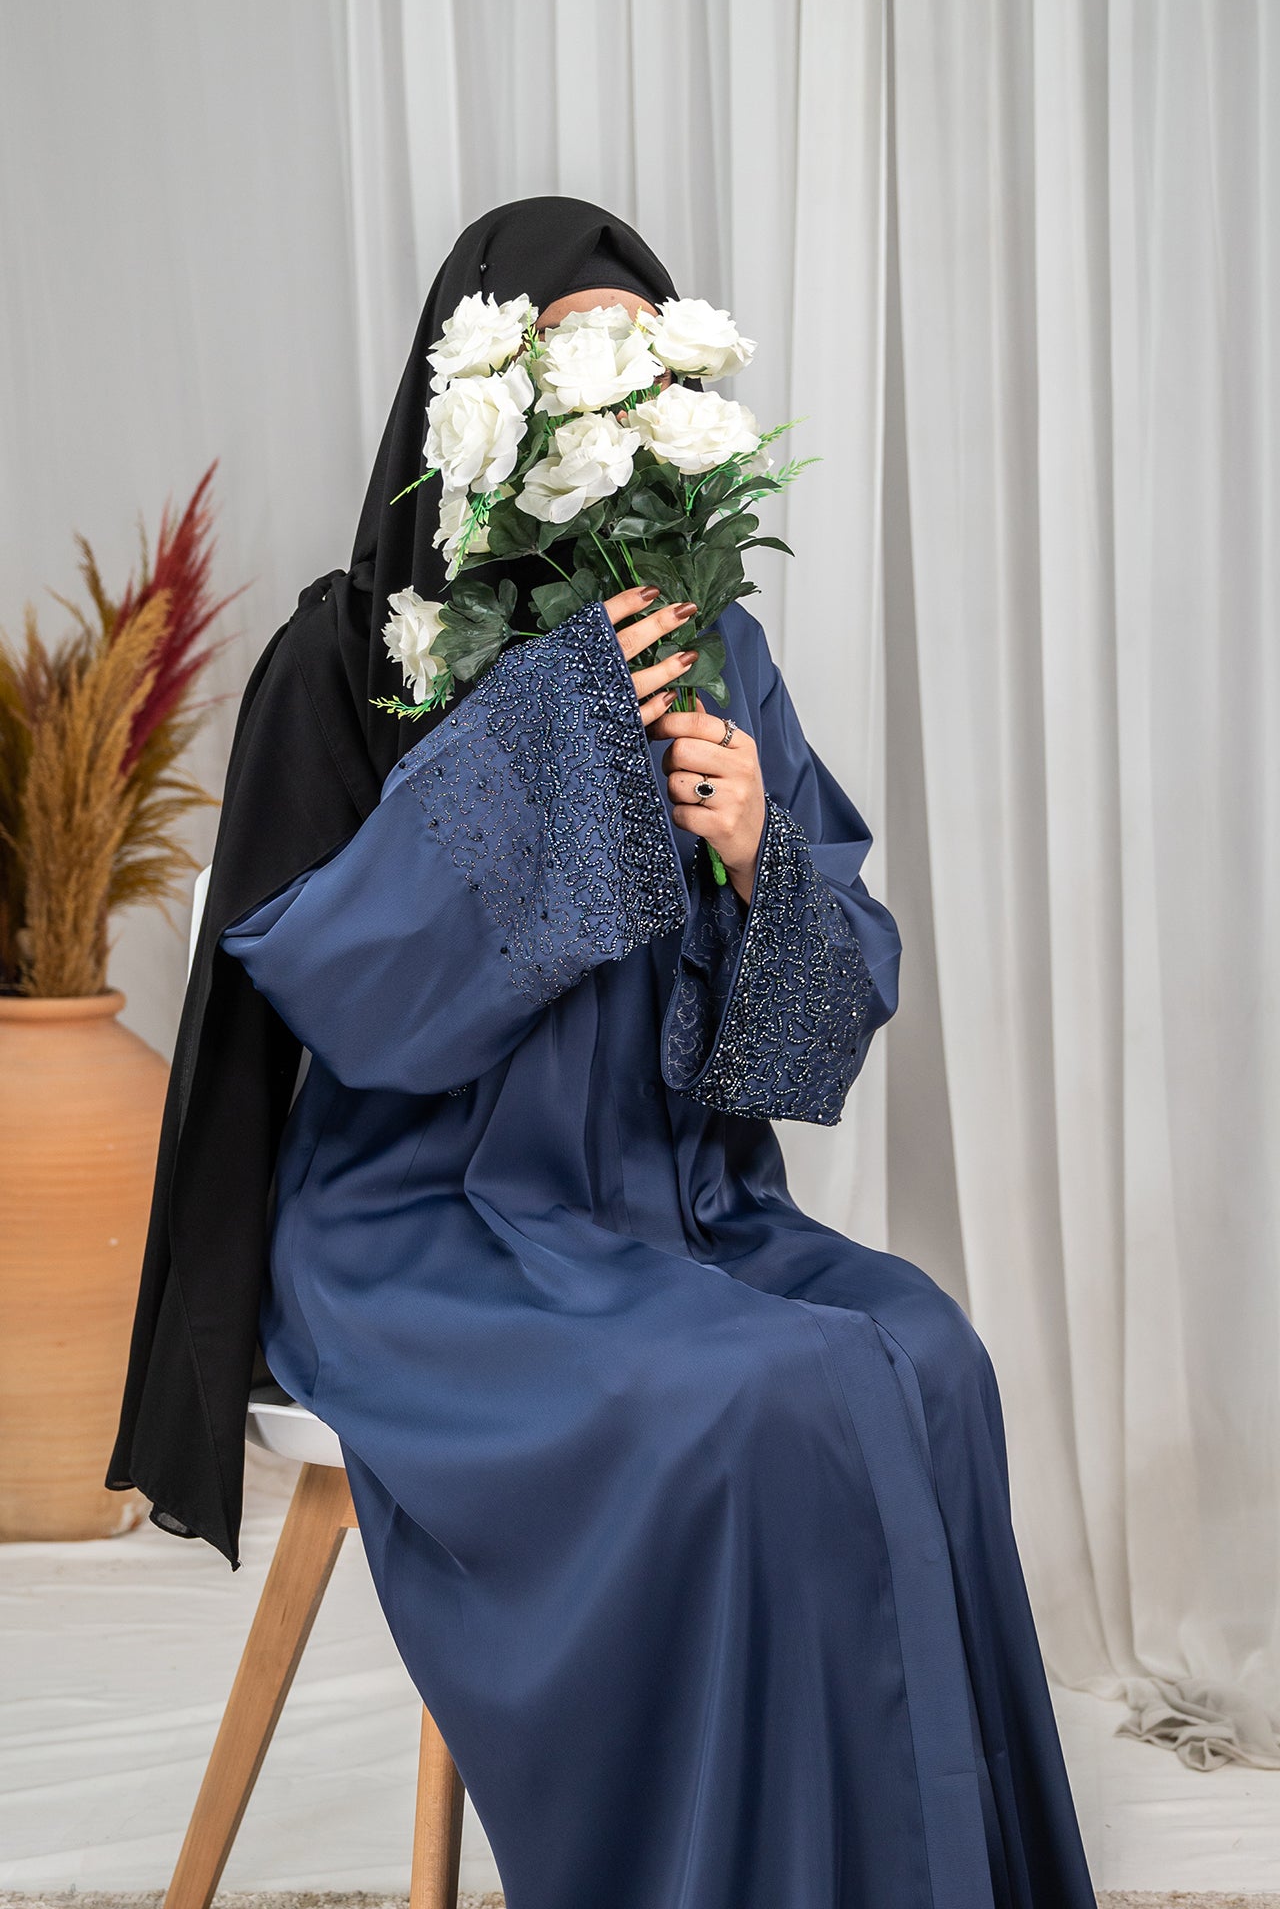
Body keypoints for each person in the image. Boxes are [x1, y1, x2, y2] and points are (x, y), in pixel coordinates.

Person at [112, 198, 1097, 1908]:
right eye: (570, 364)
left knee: (933, 1356)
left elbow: (806, 1039)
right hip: (421, 1229)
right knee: (760, 1400)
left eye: (639, 370)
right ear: (479, 394)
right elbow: (347, 997)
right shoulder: (347, 656)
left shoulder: (715, 653)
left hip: (675, 1205)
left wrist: (757, 855)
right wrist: (552, 740)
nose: (608, 406)